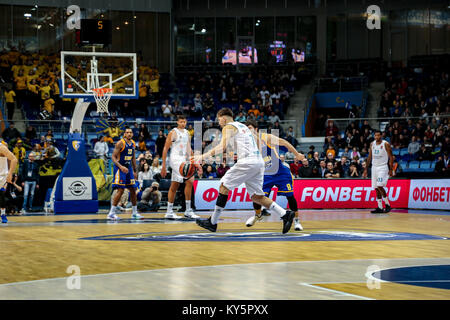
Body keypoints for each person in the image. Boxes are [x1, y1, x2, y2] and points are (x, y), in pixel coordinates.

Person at [193, 108, 295, 234]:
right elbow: (258, 140)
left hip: (247, 162)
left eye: (219, 119)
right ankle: (285, 214)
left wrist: (202, 156)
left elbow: (222, 147)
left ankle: (212, 222)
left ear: (224, 118)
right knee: (257, 197)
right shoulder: (244, 126)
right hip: (258, 162)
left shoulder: (228, 127)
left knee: (224, 187)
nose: (218, 122)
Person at [245, 119, 305, 231]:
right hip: (265, 174)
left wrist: (296, 154)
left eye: (250, 129)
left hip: (279, 171)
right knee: (257, 197)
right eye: (246, 130)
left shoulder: (266, 137)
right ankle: (257, 216)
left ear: (256, 129)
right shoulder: (248, 144)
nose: (248, 132)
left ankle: (297, 221)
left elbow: (285, 143)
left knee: (290, 196)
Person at [161, 115, 201, 220]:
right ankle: (179, 210)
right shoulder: (173, 133)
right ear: (177, 122)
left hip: (184, 160)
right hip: (175, 160)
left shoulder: (187, 133)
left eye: (184, 121)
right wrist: (163, 165)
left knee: (177, 185)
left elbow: (189, 149)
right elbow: (165, 148)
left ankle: (182, 210)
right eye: (181, 122)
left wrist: (194, 161)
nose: (183, 123)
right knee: (189, 179)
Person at [107, 127, 143, 220]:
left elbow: (133, 158)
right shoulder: (120, 143)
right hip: (120, 168)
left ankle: (134, 213)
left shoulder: (134, 143)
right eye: (127, 132)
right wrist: (121, 167)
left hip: (129, 168)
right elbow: (113, 157)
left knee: (133, 189)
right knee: (121, 190)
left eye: (131, 132)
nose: (129, 134)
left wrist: (135, 171)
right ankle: (111, 213)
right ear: (124, 134)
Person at [364, 130, 394, 214]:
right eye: (375, 135)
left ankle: (387, 204)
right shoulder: (372, 144)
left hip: (383, 167)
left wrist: (391, 169)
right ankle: (380, 207)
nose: (376, 137)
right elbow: (370, 156)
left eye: (378, 135)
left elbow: (391, 157)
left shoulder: (385, 144)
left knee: (380, 185)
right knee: (376, 188)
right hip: (374, 167)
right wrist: (366, 168)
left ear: (381, 136)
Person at [0, 141, 18, 223]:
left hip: (2, 176)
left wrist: (10, 174)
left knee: (1, 195)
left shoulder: (2, 148)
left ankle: (3, 214)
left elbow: (14, 159)